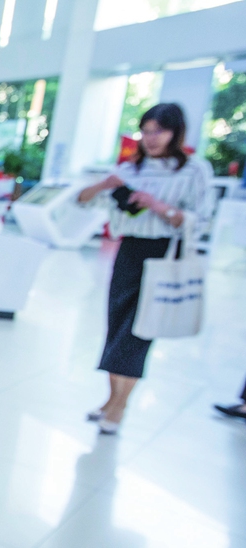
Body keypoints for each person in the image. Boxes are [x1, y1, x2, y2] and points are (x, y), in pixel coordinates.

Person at [77, 103, 213, 434]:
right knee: (116, 324)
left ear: (175, 132)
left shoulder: (195, 170)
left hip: (164, 253)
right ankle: (111, 400)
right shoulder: (131, 168)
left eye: (159, 131)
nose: (151, 139)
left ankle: (120, 407)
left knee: (138, 331)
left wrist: (159, 207)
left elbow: (202, 220)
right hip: (129, 251)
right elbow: (82, 199)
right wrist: (106, 184)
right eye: (147, 131)